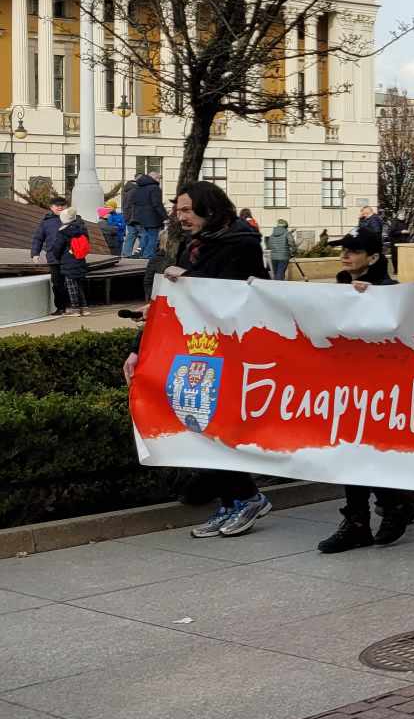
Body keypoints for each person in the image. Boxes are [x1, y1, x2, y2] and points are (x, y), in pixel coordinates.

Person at [121, 182, 272, 535]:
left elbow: (237, 296)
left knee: (215, 427)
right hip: (197, 352)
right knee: (199, 426)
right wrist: (138, 347)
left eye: (187, 210)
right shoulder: (195, 245)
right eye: (178, 211)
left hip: (231, 354)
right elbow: (173, 304)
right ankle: (232, 501)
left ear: (210, 208)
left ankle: (246, 498)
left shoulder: (241, 245)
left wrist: (189, 279)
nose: (181, 217)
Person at [316, 230, 414, 553]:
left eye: (353, 251)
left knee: (371, 451)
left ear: (374, 257)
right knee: (351, 450)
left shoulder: (389, 290)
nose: (345, 256)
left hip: (381, 388)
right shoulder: (342, 287)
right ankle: (363, 517)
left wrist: (371, 299)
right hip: (348, 383)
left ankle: (391, 505)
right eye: (343, 250)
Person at [30, 198, 69, 314]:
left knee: (72, 282)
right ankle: (60, 307)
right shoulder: (46, 222)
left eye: (62, 205)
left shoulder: (73, 219)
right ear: (51, 207)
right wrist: (35, 253)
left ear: (66, 206)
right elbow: (38, 238)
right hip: (54, 257)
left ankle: (74, 305)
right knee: (57, 283)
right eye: (57, 205)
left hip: (70, 257)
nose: (60, 207)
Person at [55, 208, 91, 316]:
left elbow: (57, 248)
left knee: (71, 286)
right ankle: (84, 308)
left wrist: (57, 257)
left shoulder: (63, 232)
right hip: (80, 259)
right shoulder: (81, 229)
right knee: (79, 285)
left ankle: (75, 309)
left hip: (68, 261)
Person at [124, 171, 165, 259]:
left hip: (139, 217)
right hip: (151, 217)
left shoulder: (138, 187)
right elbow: (157, 204)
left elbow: (134, 203)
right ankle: (147, 254)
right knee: (152, 237)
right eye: (158, 178)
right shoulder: (154, 188)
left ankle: (141, 253)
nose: (159, 180)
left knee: (144, 236)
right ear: (154, 178)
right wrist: (165, 216)